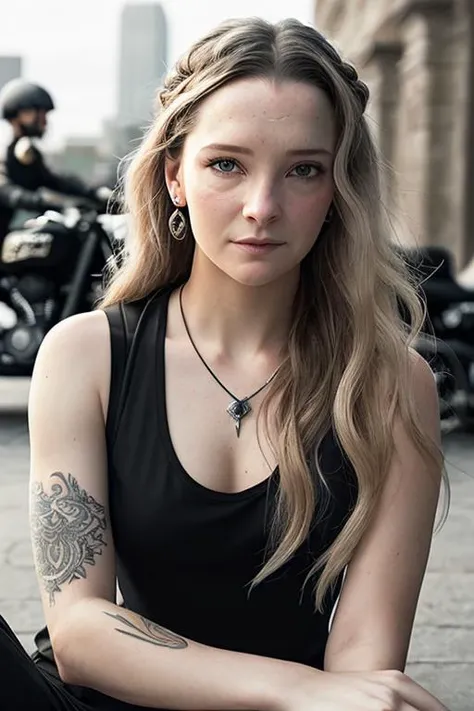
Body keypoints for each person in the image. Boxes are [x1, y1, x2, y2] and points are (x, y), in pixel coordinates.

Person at [0, 17, 449, 711]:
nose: (261, 208)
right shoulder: (86, 352)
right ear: (175, 174)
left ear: (337, 191)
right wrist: (293, 687)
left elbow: (364, 664)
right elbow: (79, 631)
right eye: (226, 164)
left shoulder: (390, 384)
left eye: (304, 169)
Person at [0, 79, 109, 245]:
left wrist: (95, 194)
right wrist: (44, 200)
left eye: (45, 114)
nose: (44, 120)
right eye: (38, 113)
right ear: (18, 114)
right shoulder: (3, 150)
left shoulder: (29, 154)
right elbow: (7, 191)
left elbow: (54, 181)